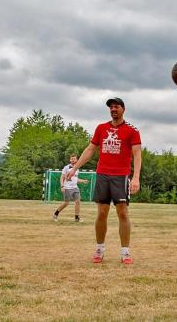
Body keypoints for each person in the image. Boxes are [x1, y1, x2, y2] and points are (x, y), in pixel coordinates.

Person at [65, 97, 141, 264]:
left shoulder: (132, 130)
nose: (113, 109)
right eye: (111, 107)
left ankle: (125, 252)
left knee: (122, 212)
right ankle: (99, 249)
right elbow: (90, 149)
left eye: (116, 107)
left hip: (121, 177)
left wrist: (135, 177)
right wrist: (75, 168)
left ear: (123, 109)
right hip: (103, 175)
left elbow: (137, 154)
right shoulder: (101, 128)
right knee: (101, 213)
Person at [53, 154, 90, 222]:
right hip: (67, 188)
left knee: (78, 201)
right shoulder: (66, 168)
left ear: (77, 160)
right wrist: (62, 186)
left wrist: (83, 181)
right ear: (70, 160)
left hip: (75, 188)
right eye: (71, 159)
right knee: (66, 203)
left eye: (74, 159)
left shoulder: (77, 168)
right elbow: (62, 177)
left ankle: (77, 218)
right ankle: (55, 213)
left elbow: (75, 179)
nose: (73, 160)